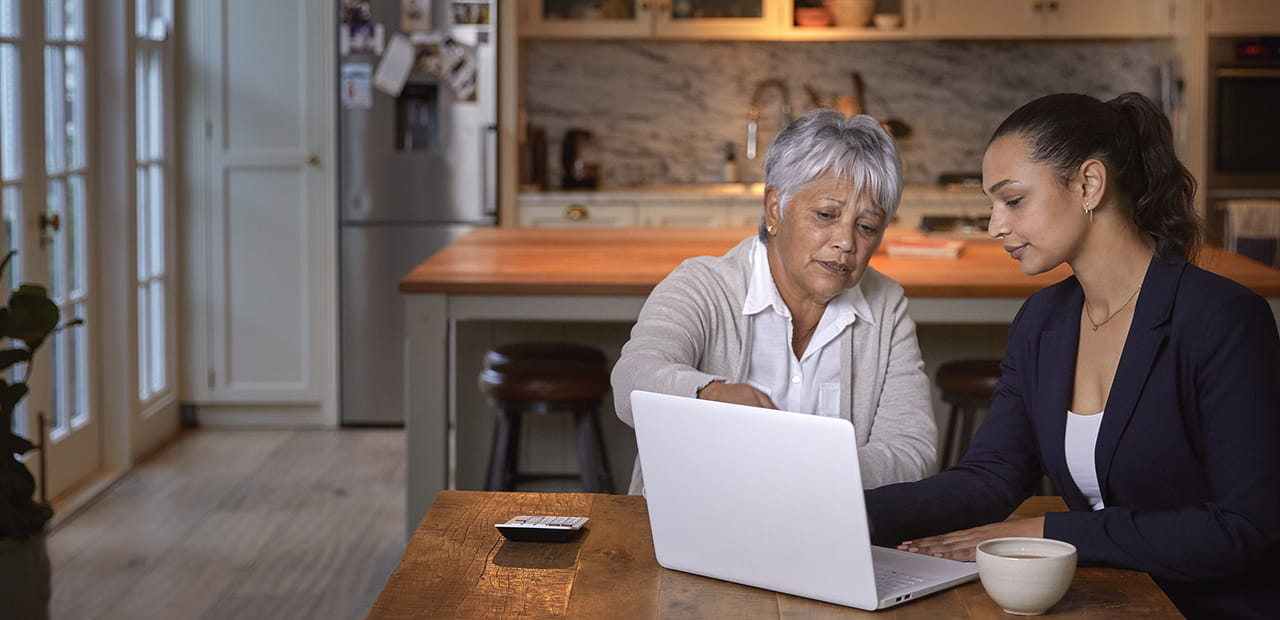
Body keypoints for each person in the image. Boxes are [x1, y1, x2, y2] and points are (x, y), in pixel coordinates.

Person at [865, 92, 1280, 619]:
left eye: (1013, 200)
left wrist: (1049, 531)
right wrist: (850, 512)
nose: (995, 225)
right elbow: (989, 478)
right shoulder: (1043, 322)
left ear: (1088, 184)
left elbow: (1244, 526)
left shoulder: (1222, 319)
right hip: (1106, 599)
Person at [612, 109, 937, 496]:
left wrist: (803, 469)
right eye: (826, 215)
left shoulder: (886, 306)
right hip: (689, 533)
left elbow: (913, 451)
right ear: (774, 210)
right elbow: (632, 378)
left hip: (826, 537)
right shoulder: (703, 284)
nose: (846, 242)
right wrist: (710, 395)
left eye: (866, 226)